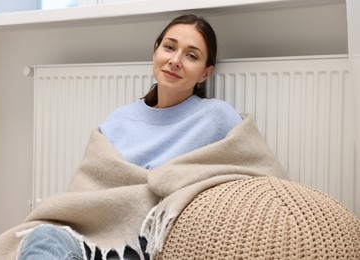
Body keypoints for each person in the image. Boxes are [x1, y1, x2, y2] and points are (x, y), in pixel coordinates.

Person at [17, 14, 242, 260]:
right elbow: (89, 188)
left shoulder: (215, 118)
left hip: (147, 238)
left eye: (191, 55)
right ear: (155, 52)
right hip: (92, 234)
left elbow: (254, 166)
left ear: (205, 73)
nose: (175, 60)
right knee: (44, 237)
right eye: (169, 47)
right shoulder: (119, 120)